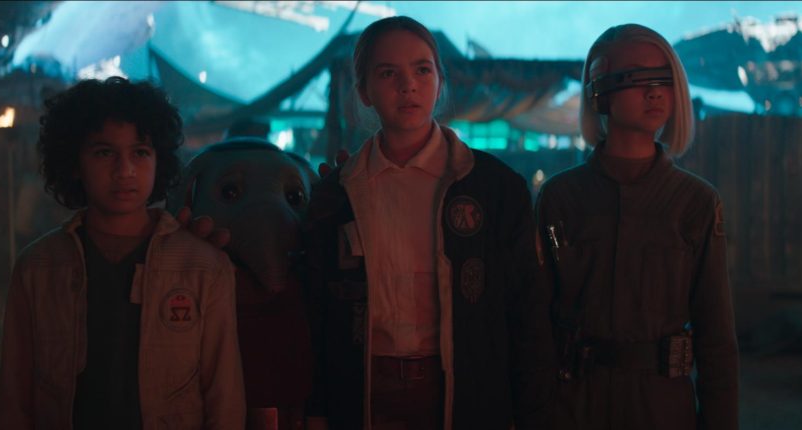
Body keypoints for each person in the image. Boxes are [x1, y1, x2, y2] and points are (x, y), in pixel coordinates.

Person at [303, 15, 555, 430]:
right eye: (388, 73)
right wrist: (317, 409)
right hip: (364, 392)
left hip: (466, 391)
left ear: (439, 81)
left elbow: (526, 310)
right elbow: (318, 313)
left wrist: (532, 413)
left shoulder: (494, 187)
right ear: (364, 91)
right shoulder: (337, 194)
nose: (408, 85)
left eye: (422, 69)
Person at [0, 77, 245, 429]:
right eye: (104, 152)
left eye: (140, 152)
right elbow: (14, 400)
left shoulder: (203, 267)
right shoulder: (37, 268)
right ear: (74, 162)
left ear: (159, 159)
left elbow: (224, 399)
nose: (124, 170)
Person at [536, 24, 739, 429]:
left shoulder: (696, 203)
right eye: (635, 79)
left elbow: (716, 336)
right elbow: (535, 322)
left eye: (663, 79)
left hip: (662, 408)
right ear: (600, 92)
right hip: (575, 406)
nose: (654, 92)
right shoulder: (561, 199)